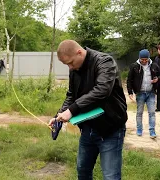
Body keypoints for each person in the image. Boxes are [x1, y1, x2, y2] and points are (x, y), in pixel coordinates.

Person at [48, 40, 127, 179]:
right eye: (67, 65)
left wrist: (72, 110)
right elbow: (71, 95)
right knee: (83, 170)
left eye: (71, 63)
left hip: (110, 129)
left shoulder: (104, 62)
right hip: (88, 129)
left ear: (79, 52)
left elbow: (102, 90)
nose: (70, 67)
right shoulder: (74, 69)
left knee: (110, 176)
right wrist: (59, 116)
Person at [127, 49, 160, 138]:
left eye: (146, 59)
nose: (144, 61)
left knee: (152, 113)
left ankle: (152, 131)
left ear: (149, 58)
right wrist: (130, 92)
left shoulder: (154, 65)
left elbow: (159, 75)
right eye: (142, 59)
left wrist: (157, 80)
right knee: (139, 112)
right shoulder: (134, 66)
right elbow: (129, 80)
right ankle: (139, 129)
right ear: (139, 58)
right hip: (140, 93)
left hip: (151, 93)